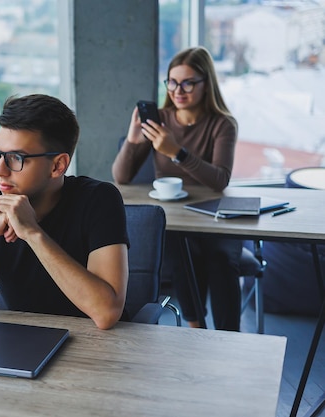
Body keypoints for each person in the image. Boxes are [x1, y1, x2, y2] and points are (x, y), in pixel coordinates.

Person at [0, 94, 129, 330]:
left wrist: (33, 234)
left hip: (96, 346)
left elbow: (106, 313)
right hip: (18, 339)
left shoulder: (99, 199)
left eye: (15, 158)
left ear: (58, 165)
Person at [112, 46, 242, 331]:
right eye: (171, 81)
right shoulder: (161, 119)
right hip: (177, 219)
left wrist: (177, 152)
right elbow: (121, 177)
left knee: (220, 260)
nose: (177, 90)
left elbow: (220, 179)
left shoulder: (223, 125)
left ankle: (229, 334)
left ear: (206, 84)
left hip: (215, 218)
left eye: (187, 82)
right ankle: (195, 325)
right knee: (180, 249)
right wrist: (134, 140)